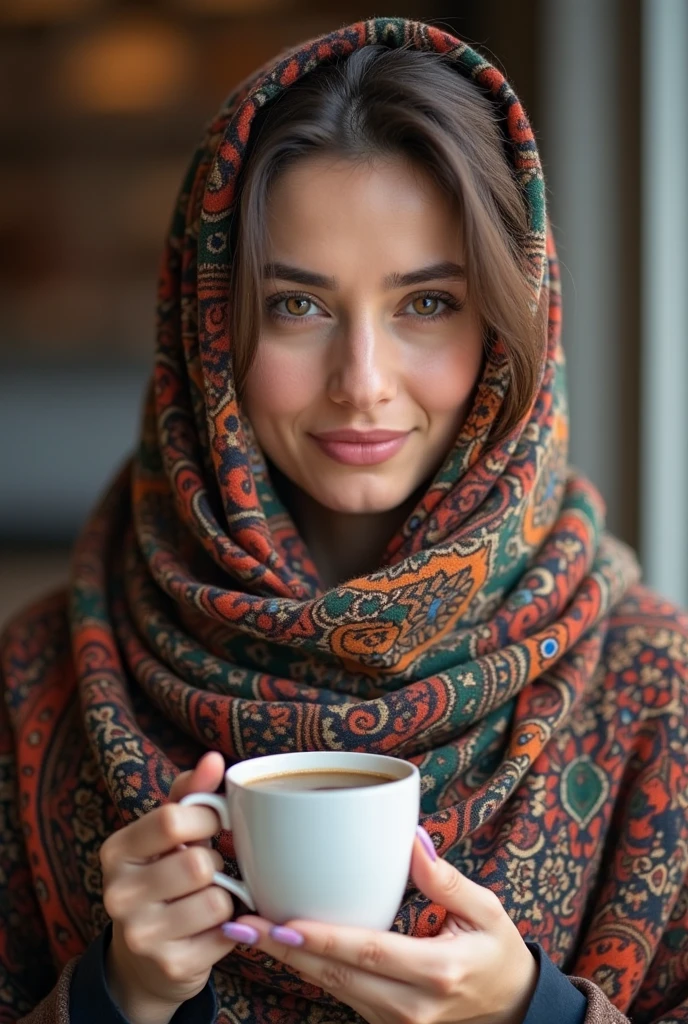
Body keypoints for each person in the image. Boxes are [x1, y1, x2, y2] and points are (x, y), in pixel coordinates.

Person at [0, 16, 686, 1024]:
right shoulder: (37, 679)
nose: (362, 382)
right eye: (296, 307)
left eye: (426, 304)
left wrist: (529, 1011)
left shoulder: (656, 691)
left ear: (509, 322)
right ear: (206, 331)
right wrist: (116, 997)